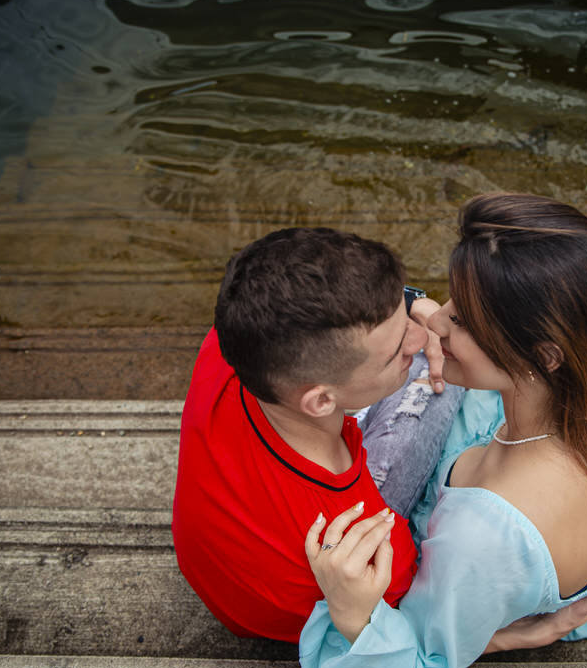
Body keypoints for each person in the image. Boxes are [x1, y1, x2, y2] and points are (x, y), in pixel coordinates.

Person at [299, 193, 587, 668]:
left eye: (460, 319)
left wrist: (353, 615)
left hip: (499, 551)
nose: (432, 321)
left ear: (545, 355)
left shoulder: (484, 536)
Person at [171, 226, 462, 642]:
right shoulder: (367, 544)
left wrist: (413, 303)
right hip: (308, 585)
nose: (425, 331)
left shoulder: (231, 343)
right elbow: (401, 631)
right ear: (322, 402)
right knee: (446, 369)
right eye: (398, 347)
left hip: (224, 569)